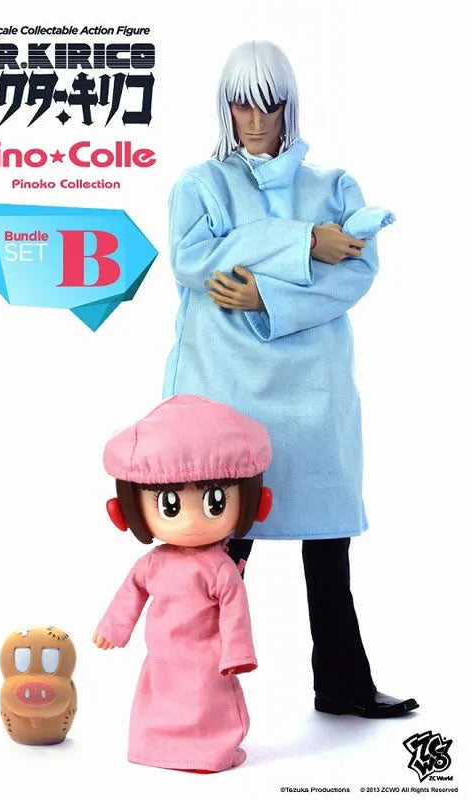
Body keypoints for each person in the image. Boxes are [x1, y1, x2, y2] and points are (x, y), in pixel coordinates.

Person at [163, 40, 417, 718]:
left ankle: (343, 683)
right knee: (217, 547)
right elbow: (194, 262)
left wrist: (267, 296)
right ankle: (190, 693)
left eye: (268, 104)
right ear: (224, 107)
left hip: (313, 392)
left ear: (289, 106)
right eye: (240, 104)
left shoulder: (333, 185)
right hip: (225, 387)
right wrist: (305, 242)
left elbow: (355, 275)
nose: (254, 120)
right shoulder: (200, 184)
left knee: (327, 546)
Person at [93, 394, 273, 771]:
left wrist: (236, 653)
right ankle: (153, 748)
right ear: (125, 510)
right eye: (170, 505)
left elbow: (235, 612)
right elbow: (131, 593)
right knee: (156, 702)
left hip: (207, 658)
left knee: (208, 703)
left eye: (215, 503)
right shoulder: (152, 564)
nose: (191, 522)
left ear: (255, 502)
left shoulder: (220, 569)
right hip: (162, 656)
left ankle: (209, 751)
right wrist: (113, 628)